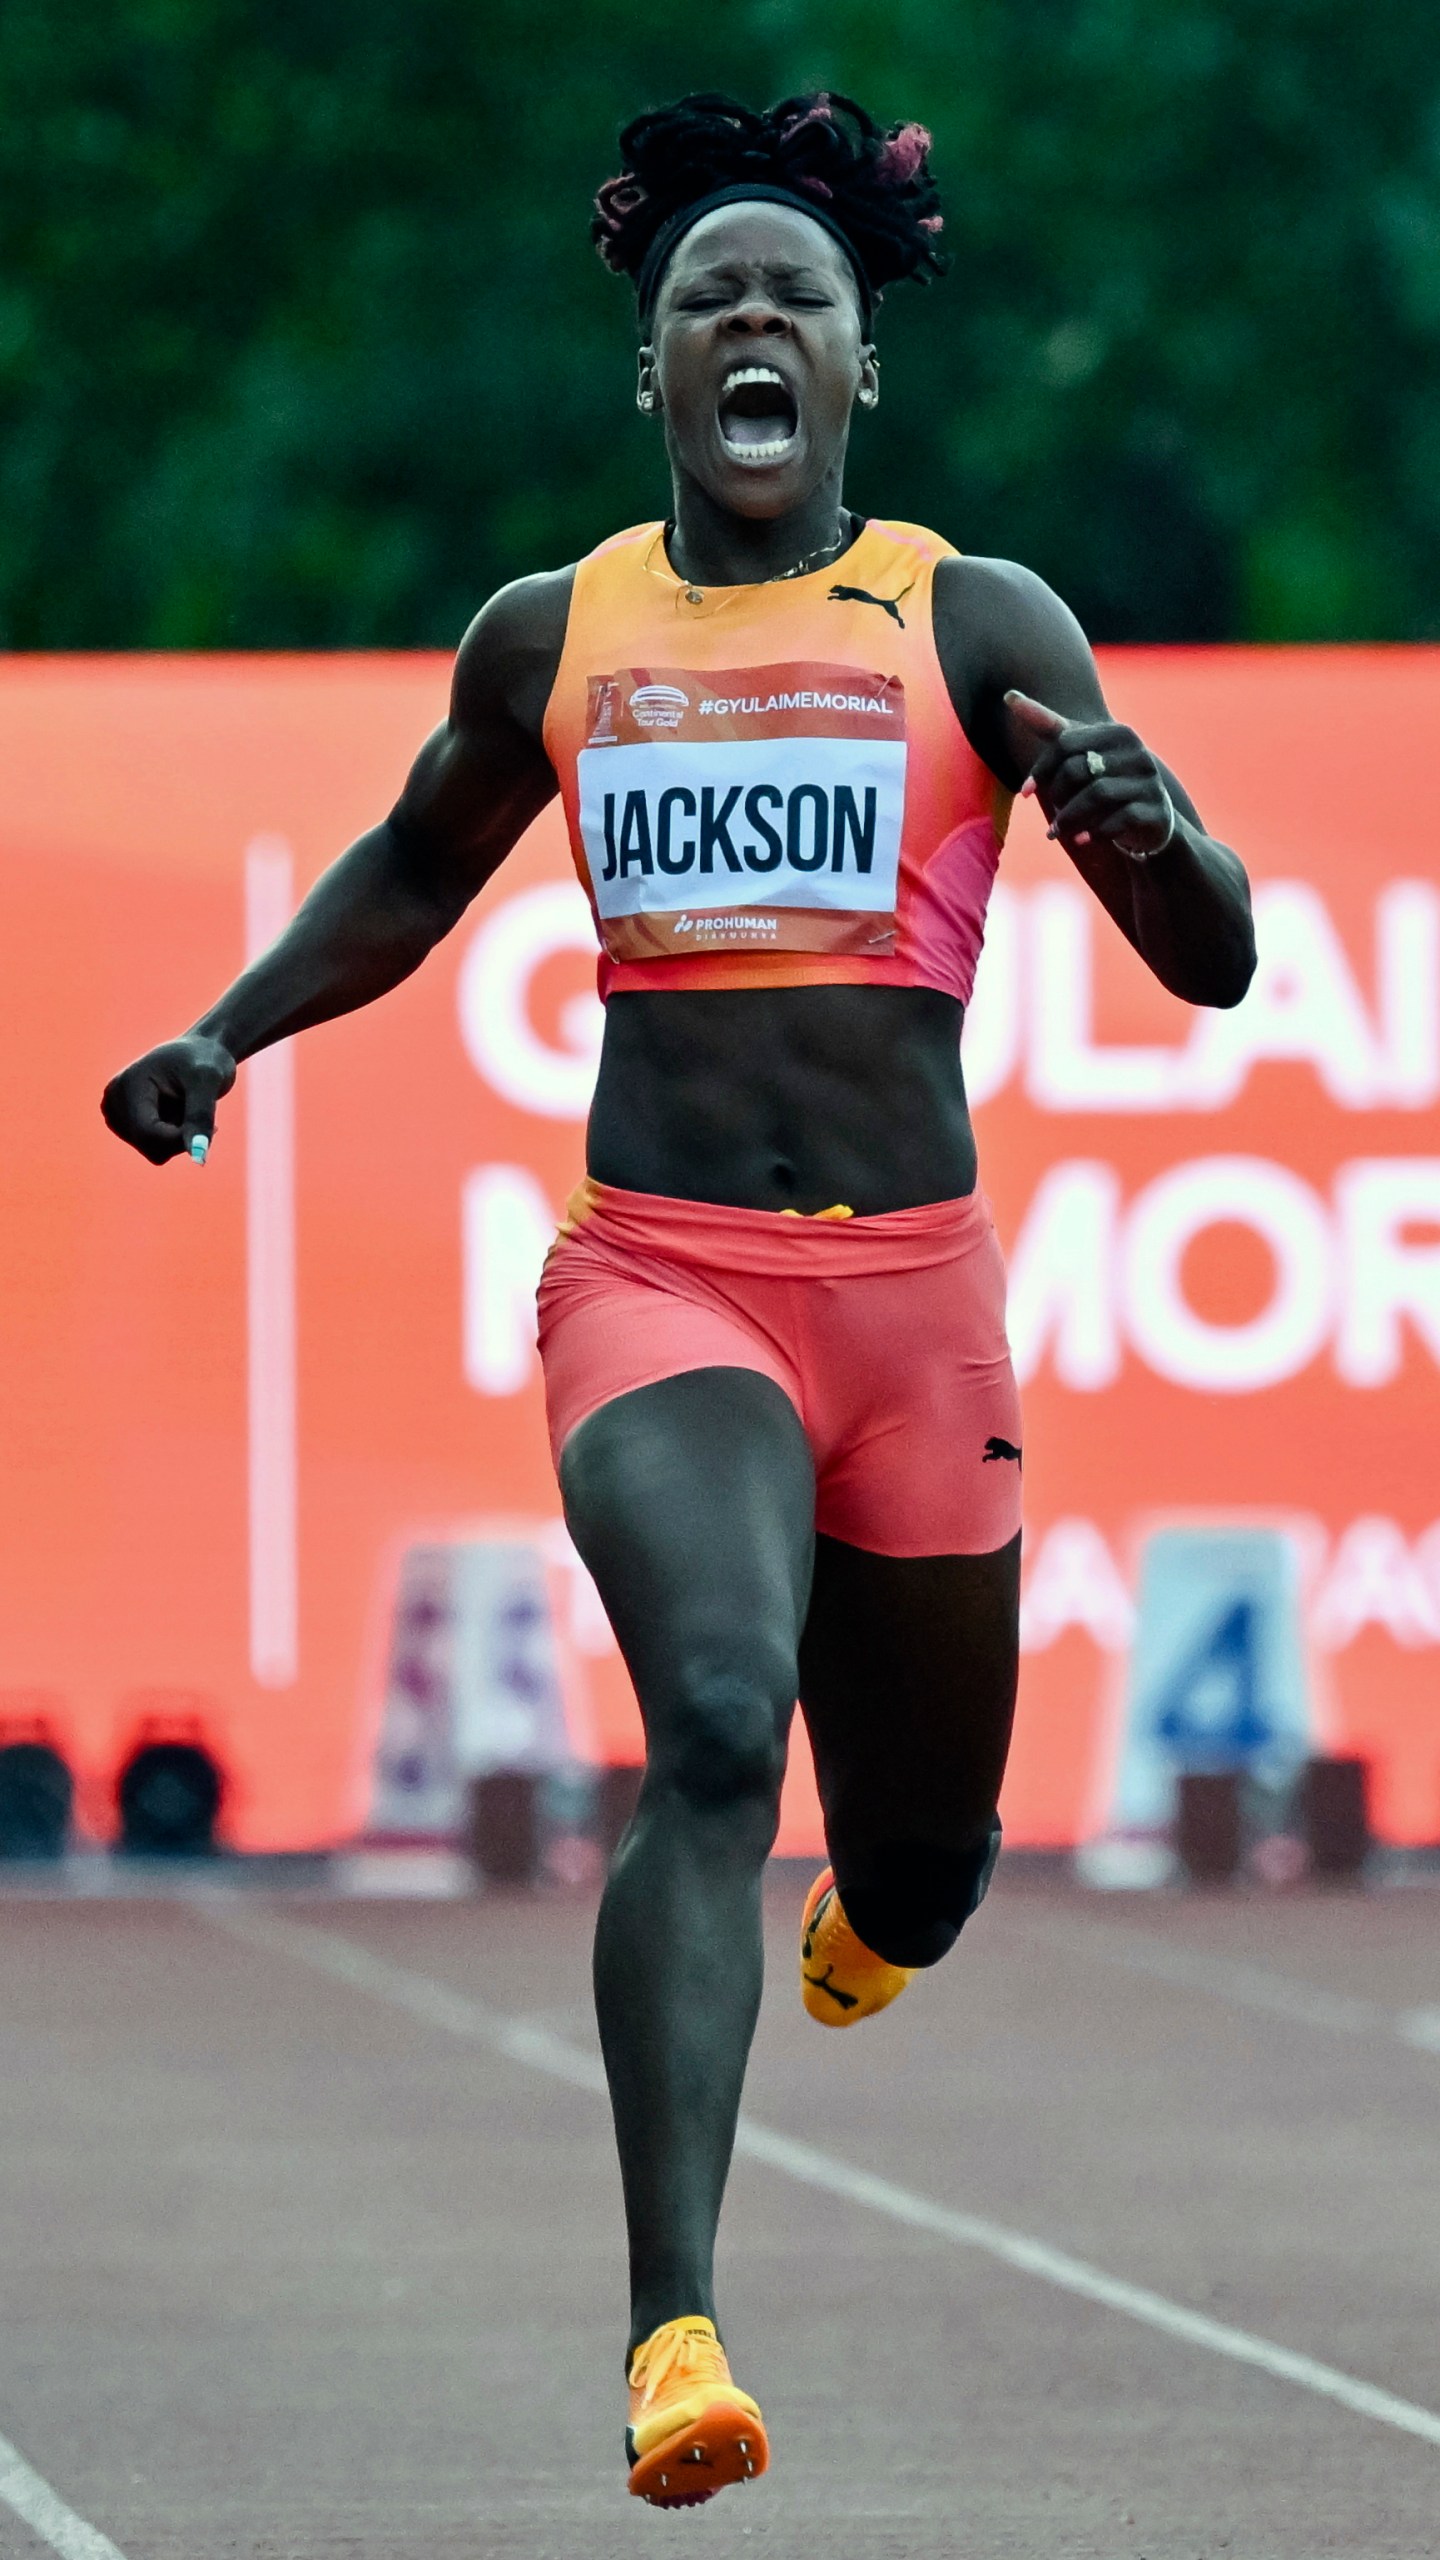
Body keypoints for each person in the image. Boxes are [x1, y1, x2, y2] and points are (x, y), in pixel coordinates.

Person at [102, 90, 1256, 2510]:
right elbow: (413, 876)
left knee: (923, 1865)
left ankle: (881, 1916)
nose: (750, 322)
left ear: (860, 369)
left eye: (794, 298)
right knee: (718, 1719)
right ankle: (673, 2325)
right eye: (702, 300)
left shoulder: (976, 616)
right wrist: (227, 1028)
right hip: (662, 1282)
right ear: (654, 380)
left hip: (914, 1306)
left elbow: (1216, 958)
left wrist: (1163, 840)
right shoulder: (561, 631)